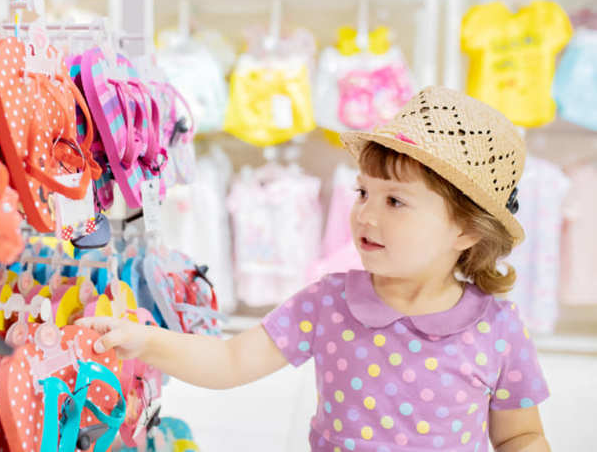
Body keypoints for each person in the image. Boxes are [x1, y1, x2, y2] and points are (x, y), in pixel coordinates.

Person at [79, 86, 551, 451]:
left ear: (466, 231)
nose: (366, 214)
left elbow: (519, 437)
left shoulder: (498, 330)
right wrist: (145, 340)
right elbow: (231, 361)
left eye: (395, 201)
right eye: (363, 192)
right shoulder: (329, 302)